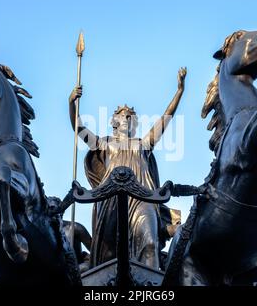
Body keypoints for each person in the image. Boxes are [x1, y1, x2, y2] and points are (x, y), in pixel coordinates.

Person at [68, 67, 186, 269]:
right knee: (108, 254)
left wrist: (179, 91)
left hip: (142, 199)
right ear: (114, 121)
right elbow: (78, 128)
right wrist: (71, 102)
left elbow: (166, 118)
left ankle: (151, 287)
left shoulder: (144, 143)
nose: (130, 118)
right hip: (111, 199)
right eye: (125, 115)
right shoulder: (104, 143)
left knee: (149, 243)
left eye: (133, 116)